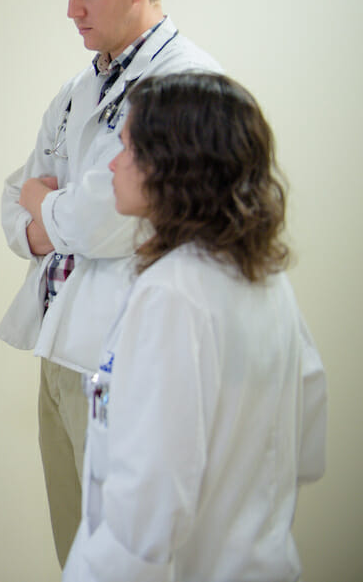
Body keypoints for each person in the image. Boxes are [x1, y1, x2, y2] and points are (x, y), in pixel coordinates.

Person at [0, 0, 222, 566]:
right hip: (60, 348)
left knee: (132, 558)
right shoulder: (75, 90)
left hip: (134, 357)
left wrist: (55, 208)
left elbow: (114, 221)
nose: (72, 10)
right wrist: (46, 217)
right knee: (76, 550)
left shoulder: (189, 84)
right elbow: (17, 196)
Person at [63, 72, 327, 581]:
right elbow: (306, 449)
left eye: (127, 149)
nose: (114, 164)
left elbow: (147, 508)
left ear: (172, 164)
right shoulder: (264, 279)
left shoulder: (173, 293)